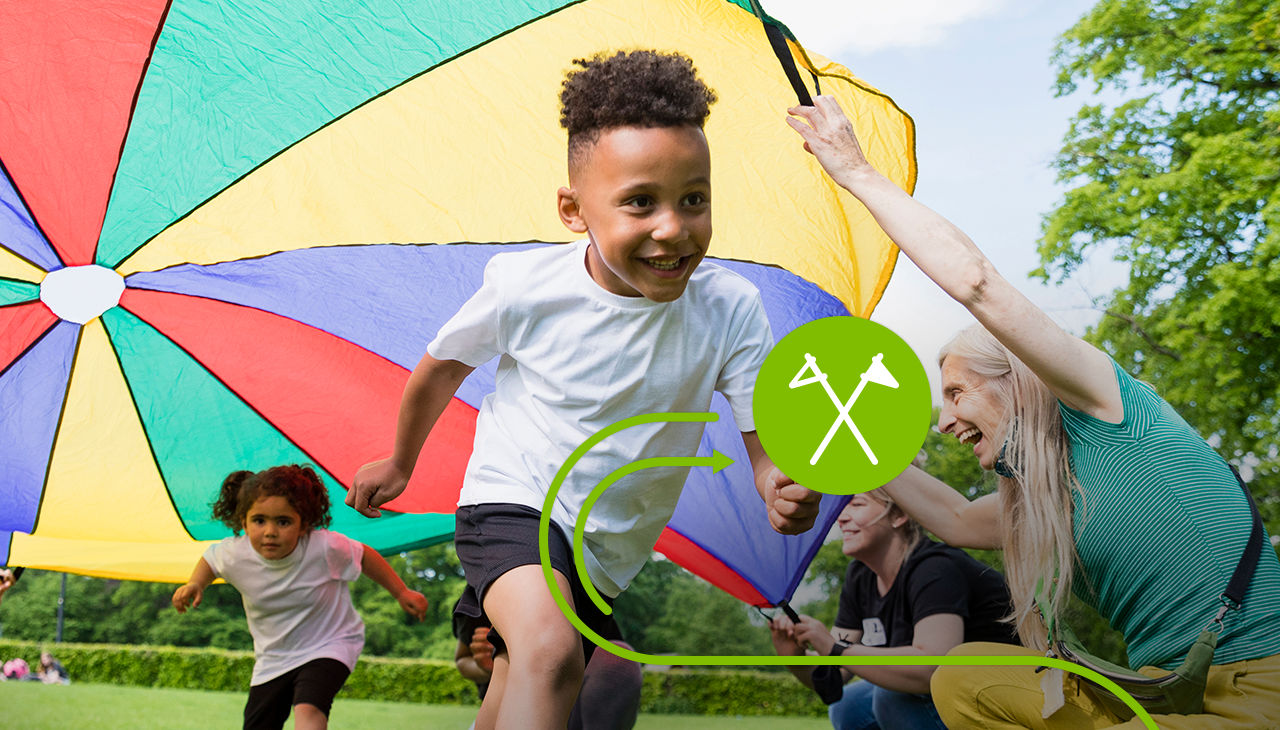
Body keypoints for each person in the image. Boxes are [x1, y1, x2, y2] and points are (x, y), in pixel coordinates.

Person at [348, 49, 820, 730]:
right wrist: (399, 461)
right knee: (550, 651)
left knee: (522, 676)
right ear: (574, 210)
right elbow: (441, 368)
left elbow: (764, 446)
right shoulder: (526, 287)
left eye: (695, 199)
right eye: (639, 203)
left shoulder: (731, 307)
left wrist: (780, 487)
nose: (673, 227)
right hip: (513, 501)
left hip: (607, 547)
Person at [786, 96, 1280, 729]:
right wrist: (852, 446)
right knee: (968, 675)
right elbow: (957, 518)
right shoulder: (1042, 494)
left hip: (1257, 685)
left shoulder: (1108, 410)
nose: (945, 422)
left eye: (958, 393)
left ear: (1015, 382)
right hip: (1155, 694)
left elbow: (977, 284)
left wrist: (855, 171)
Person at [172, 465, 428, 730]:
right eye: (259, 520)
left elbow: (364, 555)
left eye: (283, 522)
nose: (270, 531)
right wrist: (195, 583)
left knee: (309, 709)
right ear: (243, 521)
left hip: (331, 643)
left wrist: (401, 591)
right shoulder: (235, 553)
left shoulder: (323, 546)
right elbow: (211, 560)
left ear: (304, 523)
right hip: (273, 658)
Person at [770, 487, 1017, 730]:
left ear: (899, 515)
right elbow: (837, 671)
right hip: (954, 690)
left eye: (856, 504)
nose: (841, 517)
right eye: (842, 506)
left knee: (891, 698)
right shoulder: (860, 575)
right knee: (848, 706)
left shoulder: (935, 569)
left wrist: (833, 647)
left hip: (1006, 693)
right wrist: (795, 658)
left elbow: (932, 667)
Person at [453, 606, 642, 730]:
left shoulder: (587, 589)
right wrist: (487, 668)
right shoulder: (477, 594)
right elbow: (462, 659)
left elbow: (613, 668)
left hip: (575, 705)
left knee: (618, 659)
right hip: (500, 706)